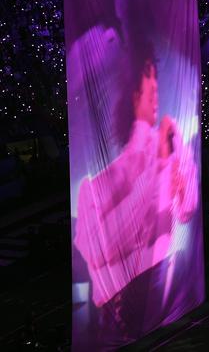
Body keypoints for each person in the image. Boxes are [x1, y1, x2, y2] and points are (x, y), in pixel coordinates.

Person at [73, 47, 198, 308]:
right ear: (134, 97)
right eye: (150, 92)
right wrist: (161, 170)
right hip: (118, 308)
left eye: (157, 90)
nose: (157, 99)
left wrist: (179, 157)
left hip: (162, 287)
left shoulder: (163, 143)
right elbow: (100, 249)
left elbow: (187, 208)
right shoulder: (92, 189)